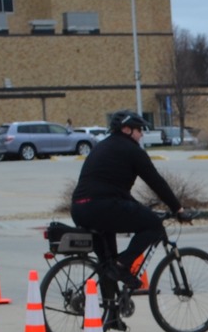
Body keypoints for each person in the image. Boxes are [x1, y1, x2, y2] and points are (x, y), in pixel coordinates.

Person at [70, 112, 189, 289]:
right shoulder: (132, 150)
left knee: (106, 265)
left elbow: (113, 189)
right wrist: (178, 209)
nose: (141, 134)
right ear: (126, 129)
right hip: (102, 207)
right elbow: (156, 181)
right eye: (139, 129)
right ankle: (122, 265)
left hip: (80, 209)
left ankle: (112, 314)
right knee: (154, 225)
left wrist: (137, 207)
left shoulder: (101, 147)